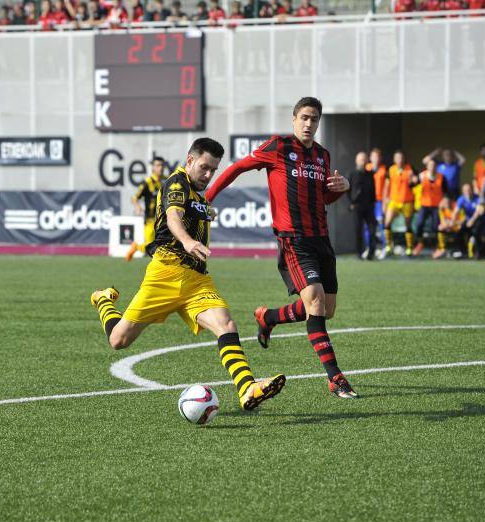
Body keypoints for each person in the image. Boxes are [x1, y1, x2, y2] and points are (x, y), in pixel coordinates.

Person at [90, 138, 286, 411]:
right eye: (204, 167)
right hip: (166, 273)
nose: (208, 175)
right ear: (190, 160)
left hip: (197, 279)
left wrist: (205, 213)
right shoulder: (177, 183)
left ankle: (247, 388)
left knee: (226, 324)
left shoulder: (198, 193)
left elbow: (192, 212)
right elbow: (173, 216)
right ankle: (103, 300)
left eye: (213, 170)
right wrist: (186, 240)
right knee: (118, 340)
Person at [205, 97, 358, 399]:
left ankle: (269, 317)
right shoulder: (278, 146)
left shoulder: (322, 156)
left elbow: (323, 198)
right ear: (294, 119)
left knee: (326, 310)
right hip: (293, 240)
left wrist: (341, 190)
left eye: (314, 119)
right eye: (304, 117)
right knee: (315, 302)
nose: (308, 123)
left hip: (321, 239)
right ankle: (335, 378)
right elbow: (237, 168)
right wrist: (207, 198)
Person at [126, 157, 164, 262]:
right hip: (150, 219)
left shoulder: (166, 180)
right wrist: (138, 207)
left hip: (162, 219)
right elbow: (135, 198)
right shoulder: (148, 182)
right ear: (153, 168)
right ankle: (136, 247)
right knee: (150, 247)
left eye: (162, 165)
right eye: (158, 165)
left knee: (163, 245)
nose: (160, 168)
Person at [382, 150, 416, 257]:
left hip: (407, 201)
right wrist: (384, 201)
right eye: (397, 158)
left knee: (408, 224)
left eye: (401, 158)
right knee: (387, 222)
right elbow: (386, 186)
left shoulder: (410, 169)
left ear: (404, 159)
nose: (399, 160)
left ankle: (409, 247)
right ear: (394, 159)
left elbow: (416, 183)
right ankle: (388, 245)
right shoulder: (391, 170)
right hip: (394, 200)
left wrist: (414, 180)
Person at [412, 159, 448, 259]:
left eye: (434, 165)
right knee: (419, 224)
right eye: (430, 165)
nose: (432, 167)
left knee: (437, 226)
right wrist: (412, 180)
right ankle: (420, 243)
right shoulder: (422, 176)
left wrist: (444, 201)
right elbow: (412, 185)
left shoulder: (441, 177)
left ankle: (440, 248)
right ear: (427, 166)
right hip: (424, 204)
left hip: (437, 206)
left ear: (436, 167)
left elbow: (446, 192)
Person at [347, 151, 376, 260]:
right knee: (358, 230)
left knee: (372, 230)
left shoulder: (370, 174)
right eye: (360, 160)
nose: (362, 162)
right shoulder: (352, 174)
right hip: (357, 206)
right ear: (356, 161)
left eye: (364, 159)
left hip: (369, 206)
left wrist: (373, 202)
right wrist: (351, 202)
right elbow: (347, 190)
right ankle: (359, 253)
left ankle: (371, 253)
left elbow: (373, 190)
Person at [451, 182, 485, 259]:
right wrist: (452, 221)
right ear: (463, 191)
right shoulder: (461, 199)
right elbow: (456, 211)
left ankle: (478, 252)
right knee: (459, 232)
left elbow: (478, 212)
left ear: (472, 190)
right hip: (468, 220)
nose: (467, 192)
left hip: (478, 220)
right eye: (465, 190)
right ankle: (463, 252)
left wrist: (472, 220)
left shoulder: (477, 198)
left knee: (476, 232)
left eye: (469, 190)